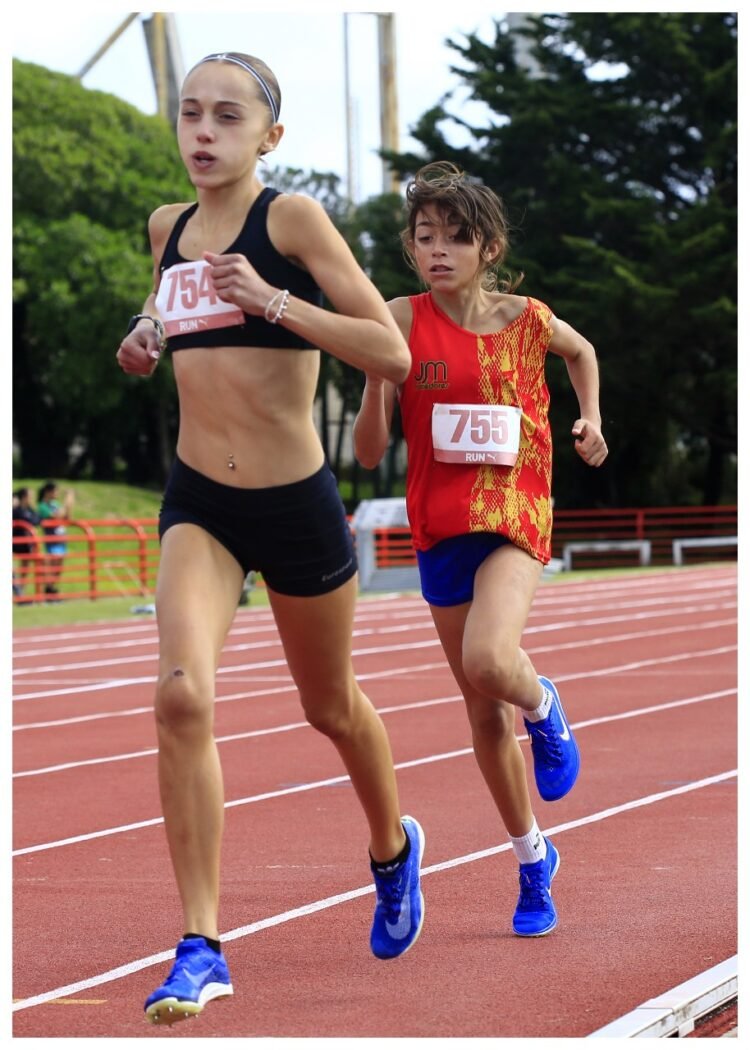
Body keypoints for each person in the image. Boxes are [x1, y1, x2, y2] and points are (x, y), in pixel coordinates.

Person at [116, 51, 425, 1026]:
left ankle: (391, 845)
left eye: (227, 117)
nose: (203, 132)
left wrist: (277, 300)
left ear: (269, 137)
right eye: (190, 115)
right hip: (199, 499)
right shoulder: (165, 230)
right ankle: (201, 944)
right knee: (178, 700)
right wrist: (144, 337)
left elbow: (395, 352)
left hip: (296, 503)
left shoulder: (289, 221)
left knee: (329, 707)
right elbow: (172, 319)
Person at [353, 161, 607, 941]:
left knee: (492, 661)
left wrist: (591, 419)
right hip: (439, 526)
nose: (438, 250)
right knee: (481, 709)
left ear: (488, 246)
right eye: (424, 237)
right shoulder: (396, 318)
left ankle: (548, 705)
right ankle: (533, 860)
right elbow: (367, 455)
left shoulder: (526, 317)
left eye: (455, 238)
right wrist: (375, 377)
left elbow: (582, 351)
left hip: (516, 510)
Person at [36, 481, 74, 599]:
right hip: (52, 539)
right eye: (55, 490)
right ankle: (49, 591)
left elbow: (66, 515)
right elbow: (56, 516)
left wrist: (69, 501)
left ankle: (51, 590)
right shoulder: (42, 506)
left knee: (58, 568)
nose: (57, 493)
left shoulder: (55, 504)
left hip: (61, 539)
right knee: (52, 566)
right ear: (48, 492)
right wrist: (66, 501)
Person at [12, 488, 41, 599]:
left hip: (26, 544)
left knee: (25, 568)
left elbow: (37, 520)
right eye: (30, 495)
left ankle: (21, 593)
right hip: (15, 542)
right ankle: (19, 593)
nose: (32, 498)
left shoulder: (30, 510)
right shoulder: (16, 510)